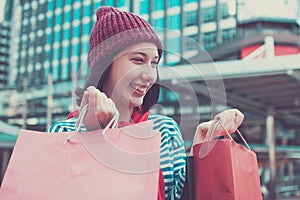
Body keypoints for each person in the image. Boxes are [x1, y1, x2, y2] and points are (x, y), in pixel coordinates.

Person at [48, 6, 244, 200]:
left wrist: (201, 144)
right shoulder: (63, 134)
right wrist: (97, 137)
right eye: (138, 60)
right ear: (105, 65)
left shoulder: (165, 130)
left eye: (154, 63)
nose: (149, 75)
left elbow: (179, 197)